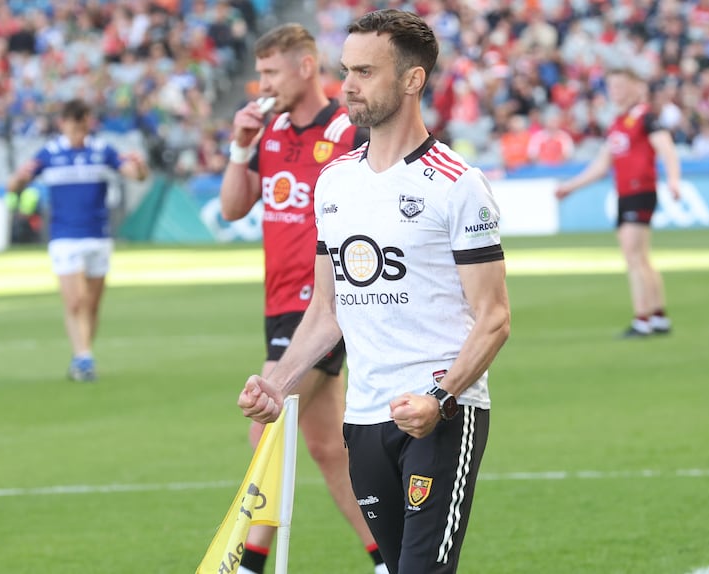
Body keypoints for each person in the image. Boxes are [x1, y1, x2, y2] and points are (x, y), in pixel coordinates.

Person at [237, 10, 511, 574]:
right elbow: (325, 310)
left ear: (412, 80)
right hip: (363, 420)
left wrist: (441, 397)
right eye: (346, 70)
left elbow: (494, 318)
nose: (348, 86)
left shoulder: (459, 185)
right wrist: (277, 385)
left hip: (440, 415)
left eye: (365, 71)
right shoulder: (335, 182)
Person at [218, 23, 386, 574]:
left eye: (270, 72)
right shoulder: (269, 132)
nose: (261, 83)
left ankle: (247, 565)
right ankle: (392, 561)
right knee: (327, 454)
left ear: (306, 67)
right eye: (258, 72)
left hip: (326, 306)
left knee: (263, 422)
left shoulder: (345, 132)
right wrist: (240, 147)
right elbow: (232, 208)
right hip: (278, 303)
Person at [7, 98, 148, 381]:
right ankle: (84, 358)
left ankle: (83, 356)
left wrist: (140, 166)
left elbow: (136, 176)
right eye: (73, 127)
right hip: (64, 237)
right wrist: (20, 179)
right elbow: (14, 185)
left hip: (98, 236)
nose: (78, 134)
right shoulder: (49, 153)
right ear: (63, 124)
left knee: (92, 304)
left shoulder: (101, 150)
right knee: (75, 302)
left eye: (82, 127)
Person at [555, 67, 681, 338]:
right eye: (612, 86)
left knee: (633, 256)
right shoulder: (618, 123)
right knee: (642, 257)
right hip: (627, 194)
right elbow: (601, 166)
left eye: (621, 85)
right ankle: (658, 316)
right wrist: (571, 187)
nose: (616, 91)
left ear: (636, 88)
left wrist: (673, 179)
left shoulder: (645, 117)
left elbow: (666, 148)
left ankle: (642, 319)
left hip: (639, 191)